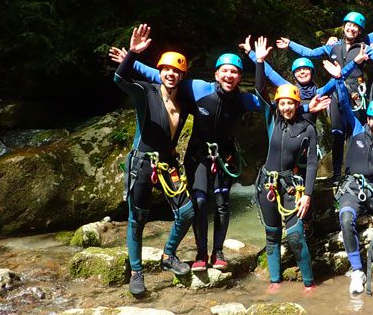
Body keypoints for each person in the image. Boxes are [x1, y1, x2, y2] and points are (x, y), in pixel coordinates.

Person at [109, 42, 264, 273]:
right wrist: (131, 60)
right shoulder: (198, 88)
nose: (229, 75)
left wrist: (259, 62)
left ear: (240, 77)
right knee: (199, 202)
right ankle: (201, 253)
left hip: (225, 156)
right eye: (225, 70)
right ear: (216, 73)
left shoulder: (242, 99)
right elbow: (167, 75)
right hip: (198, 154)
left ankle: (218, 252)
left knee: (222, 205)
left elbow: (262, 101)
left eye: (234, 71)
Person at [277, 12, 373, 181]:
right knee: (337, 134)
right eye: (349, 25)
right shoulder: (332, 46)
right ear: (344, 27)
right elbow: (311, 53)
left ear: (360, 31)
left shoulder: (365, 48)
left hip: (357, 94)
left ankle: (350, 172)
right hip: (337, 91)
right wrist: (290, 44)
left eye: (355, 27)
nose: (352, 28)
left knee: (354, 134)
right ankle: (336, 174)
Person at [113, 24, 195, 297]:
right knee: (137, 219)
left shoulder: (184, 98)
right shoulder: (146, 92)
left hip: (168, 162)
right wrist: (133, 54)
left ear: (182, 76)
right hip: (142, 163)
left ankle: (168, 255)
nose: (171, 74)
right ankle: (136, 272)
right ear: (160, 72)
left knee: (186, 212)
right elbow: (120, 80)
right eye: (167, 70)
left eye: (177, 71)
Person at [253, 36, 321, 292]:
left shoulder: (307, 129)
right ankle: (274, 280)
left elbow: (312, 163)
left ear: (297, 104)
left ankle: (309, 283)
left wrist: (309, 196)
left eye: (290, 103)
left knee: (295, 235)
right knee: (272, 234)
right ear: (278, 105)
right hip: (267, 183)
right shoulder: (272, 119)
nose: (286, 107)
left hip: (291, 186)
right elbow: (260, 91)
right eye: (282, 103)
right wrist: (259, 62)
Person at [323, 59, 373, 295]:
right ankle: (357, 270)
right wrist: (339, 79)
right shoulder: (355, 128)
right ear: (368, 119)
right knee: (345, 218)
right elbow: (343, 102)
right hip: (352, 186)